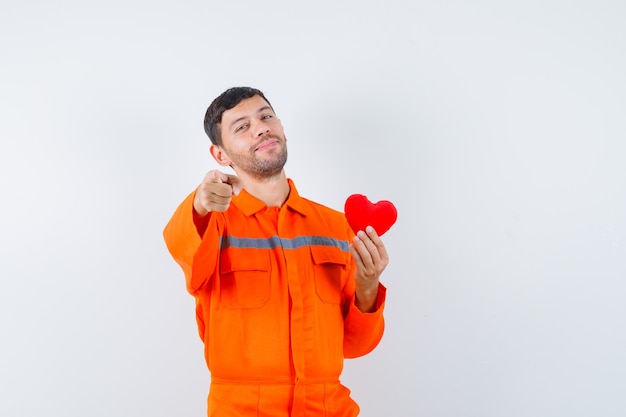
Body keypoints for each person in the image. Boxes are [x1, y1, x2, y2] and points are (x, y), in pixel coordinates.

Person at [163, 86, 390, 417]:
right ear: (220, 156)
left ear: (281, 127)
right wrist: (199, 205)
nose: (260, 127)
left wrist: (368, 287)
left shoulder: (335, 227)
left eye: (266, 116)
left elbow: (354, 346)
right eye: (241, 126)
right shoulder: (213, 224)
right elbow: (184, 250)